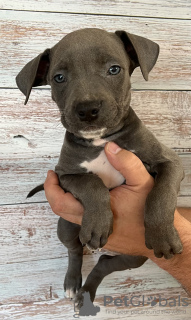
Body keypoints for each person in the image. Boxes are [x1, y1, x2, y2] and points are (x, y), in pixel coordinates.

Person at [44, 142, 191, 296]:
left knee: (135, 260)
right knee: (66, 230)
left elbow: (169, 165)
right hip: (97, 201)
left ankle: (99, 272)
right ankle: (75, 254)